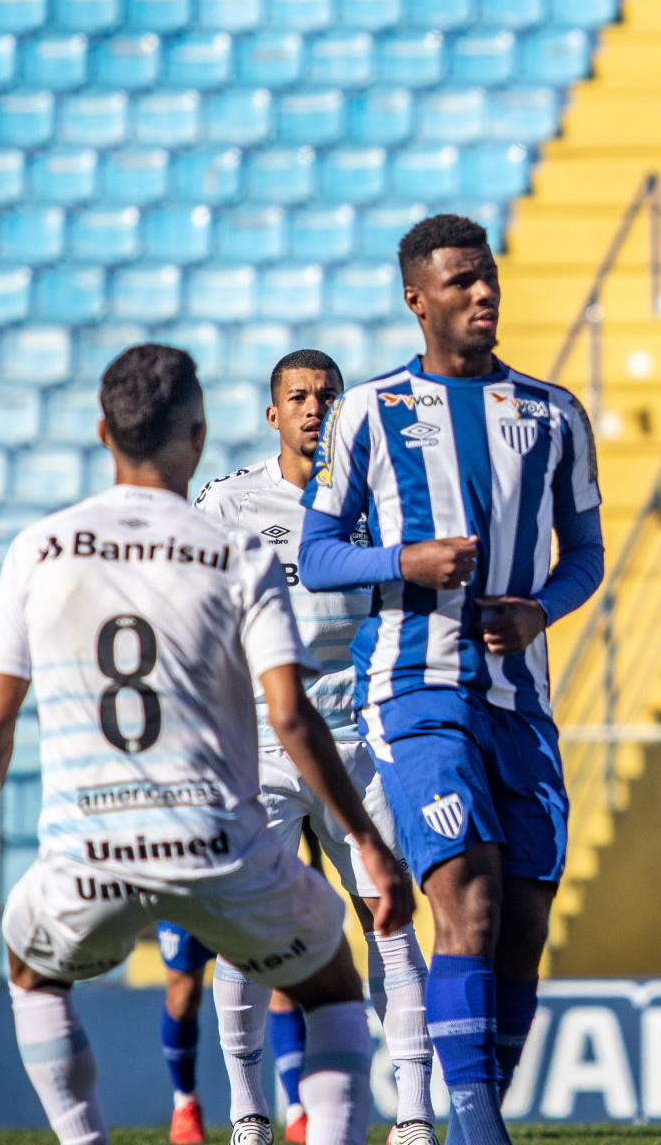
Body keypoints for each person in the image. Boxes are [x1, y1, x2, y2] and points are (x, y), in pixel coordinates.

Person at [0, 343, 411, 1145]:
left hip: (92, 848)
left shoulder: (41, 548)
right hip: (214, 842)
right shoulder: (236, 549)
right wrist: (364, 836)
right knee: (331, 982)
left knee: (33, 974)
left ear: (102, 433)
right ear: (197, 433)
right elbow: (291, 716)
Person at [298, 214, 605, 1145]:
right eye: (462, 282)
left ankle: (478, 1116)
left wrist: (541, 610)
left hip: (519, 701)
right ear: (417, 299)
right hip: (413, 688)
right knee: (464, 890)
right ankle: (474, 1133)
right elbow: (316, 556)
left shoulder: (552, 413)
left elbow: (585, 555)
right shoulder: (368, 413)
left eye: (490, 279)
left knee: (523, 920)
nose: (483, 295)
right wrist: (406, 560)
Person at [193, 349, 435, 1145]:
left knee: (388, 916)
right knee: (246, 926)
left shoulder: (375, 501)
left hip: (354, 740)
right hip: (259, 742)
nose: (314, 408)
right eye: (298, 397)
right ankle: (249, 1114)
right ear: (273, 415)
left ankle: (415, 1116)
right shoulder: (229, 504)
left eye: (328, 396)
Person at [152, 920, 243, 1144]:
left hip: (240, 891)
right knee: (183, 998)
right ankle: (185, 1102)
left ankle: (296, 1111)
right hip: (185, 894)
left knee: (278, 982)